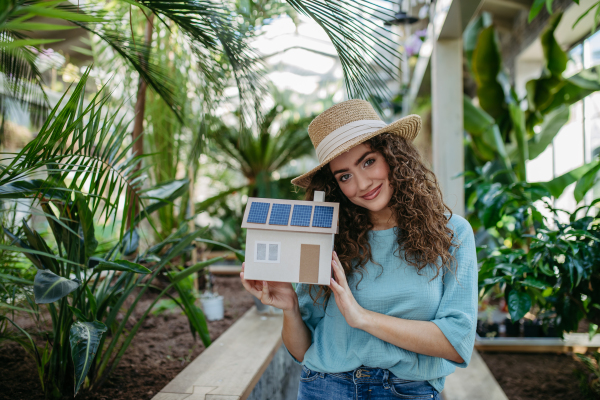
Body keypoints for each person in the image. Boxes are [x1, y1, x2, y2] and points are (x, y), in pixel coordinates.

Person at [240, 99, 477, 400]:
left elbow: (457, 344)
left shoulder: (452, 234)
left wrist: (361, 317)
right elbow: (302, 351)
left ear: (393, 157)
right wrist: (290, 308)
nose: (363, 183)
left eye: (368, 161)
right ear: (335, 185)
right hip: (324, 387)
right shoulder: (326, 238)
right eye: (344, 176)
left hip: (407, 391)